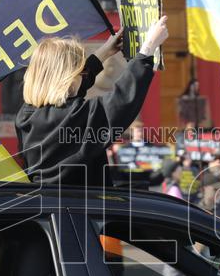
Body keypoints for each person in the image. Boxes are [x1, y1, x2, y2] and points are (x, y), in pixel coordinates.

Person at [15, 16, 168, 187]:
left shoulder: (26, 116)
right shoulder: (73, 116)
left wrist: (104, 52)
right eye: (80, 71)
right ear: (68, 78)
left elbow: (74, 91)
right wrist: (147, 51)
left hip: (51, 205)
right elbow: (120, 101)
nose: (82, 74)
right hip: (81, 208)